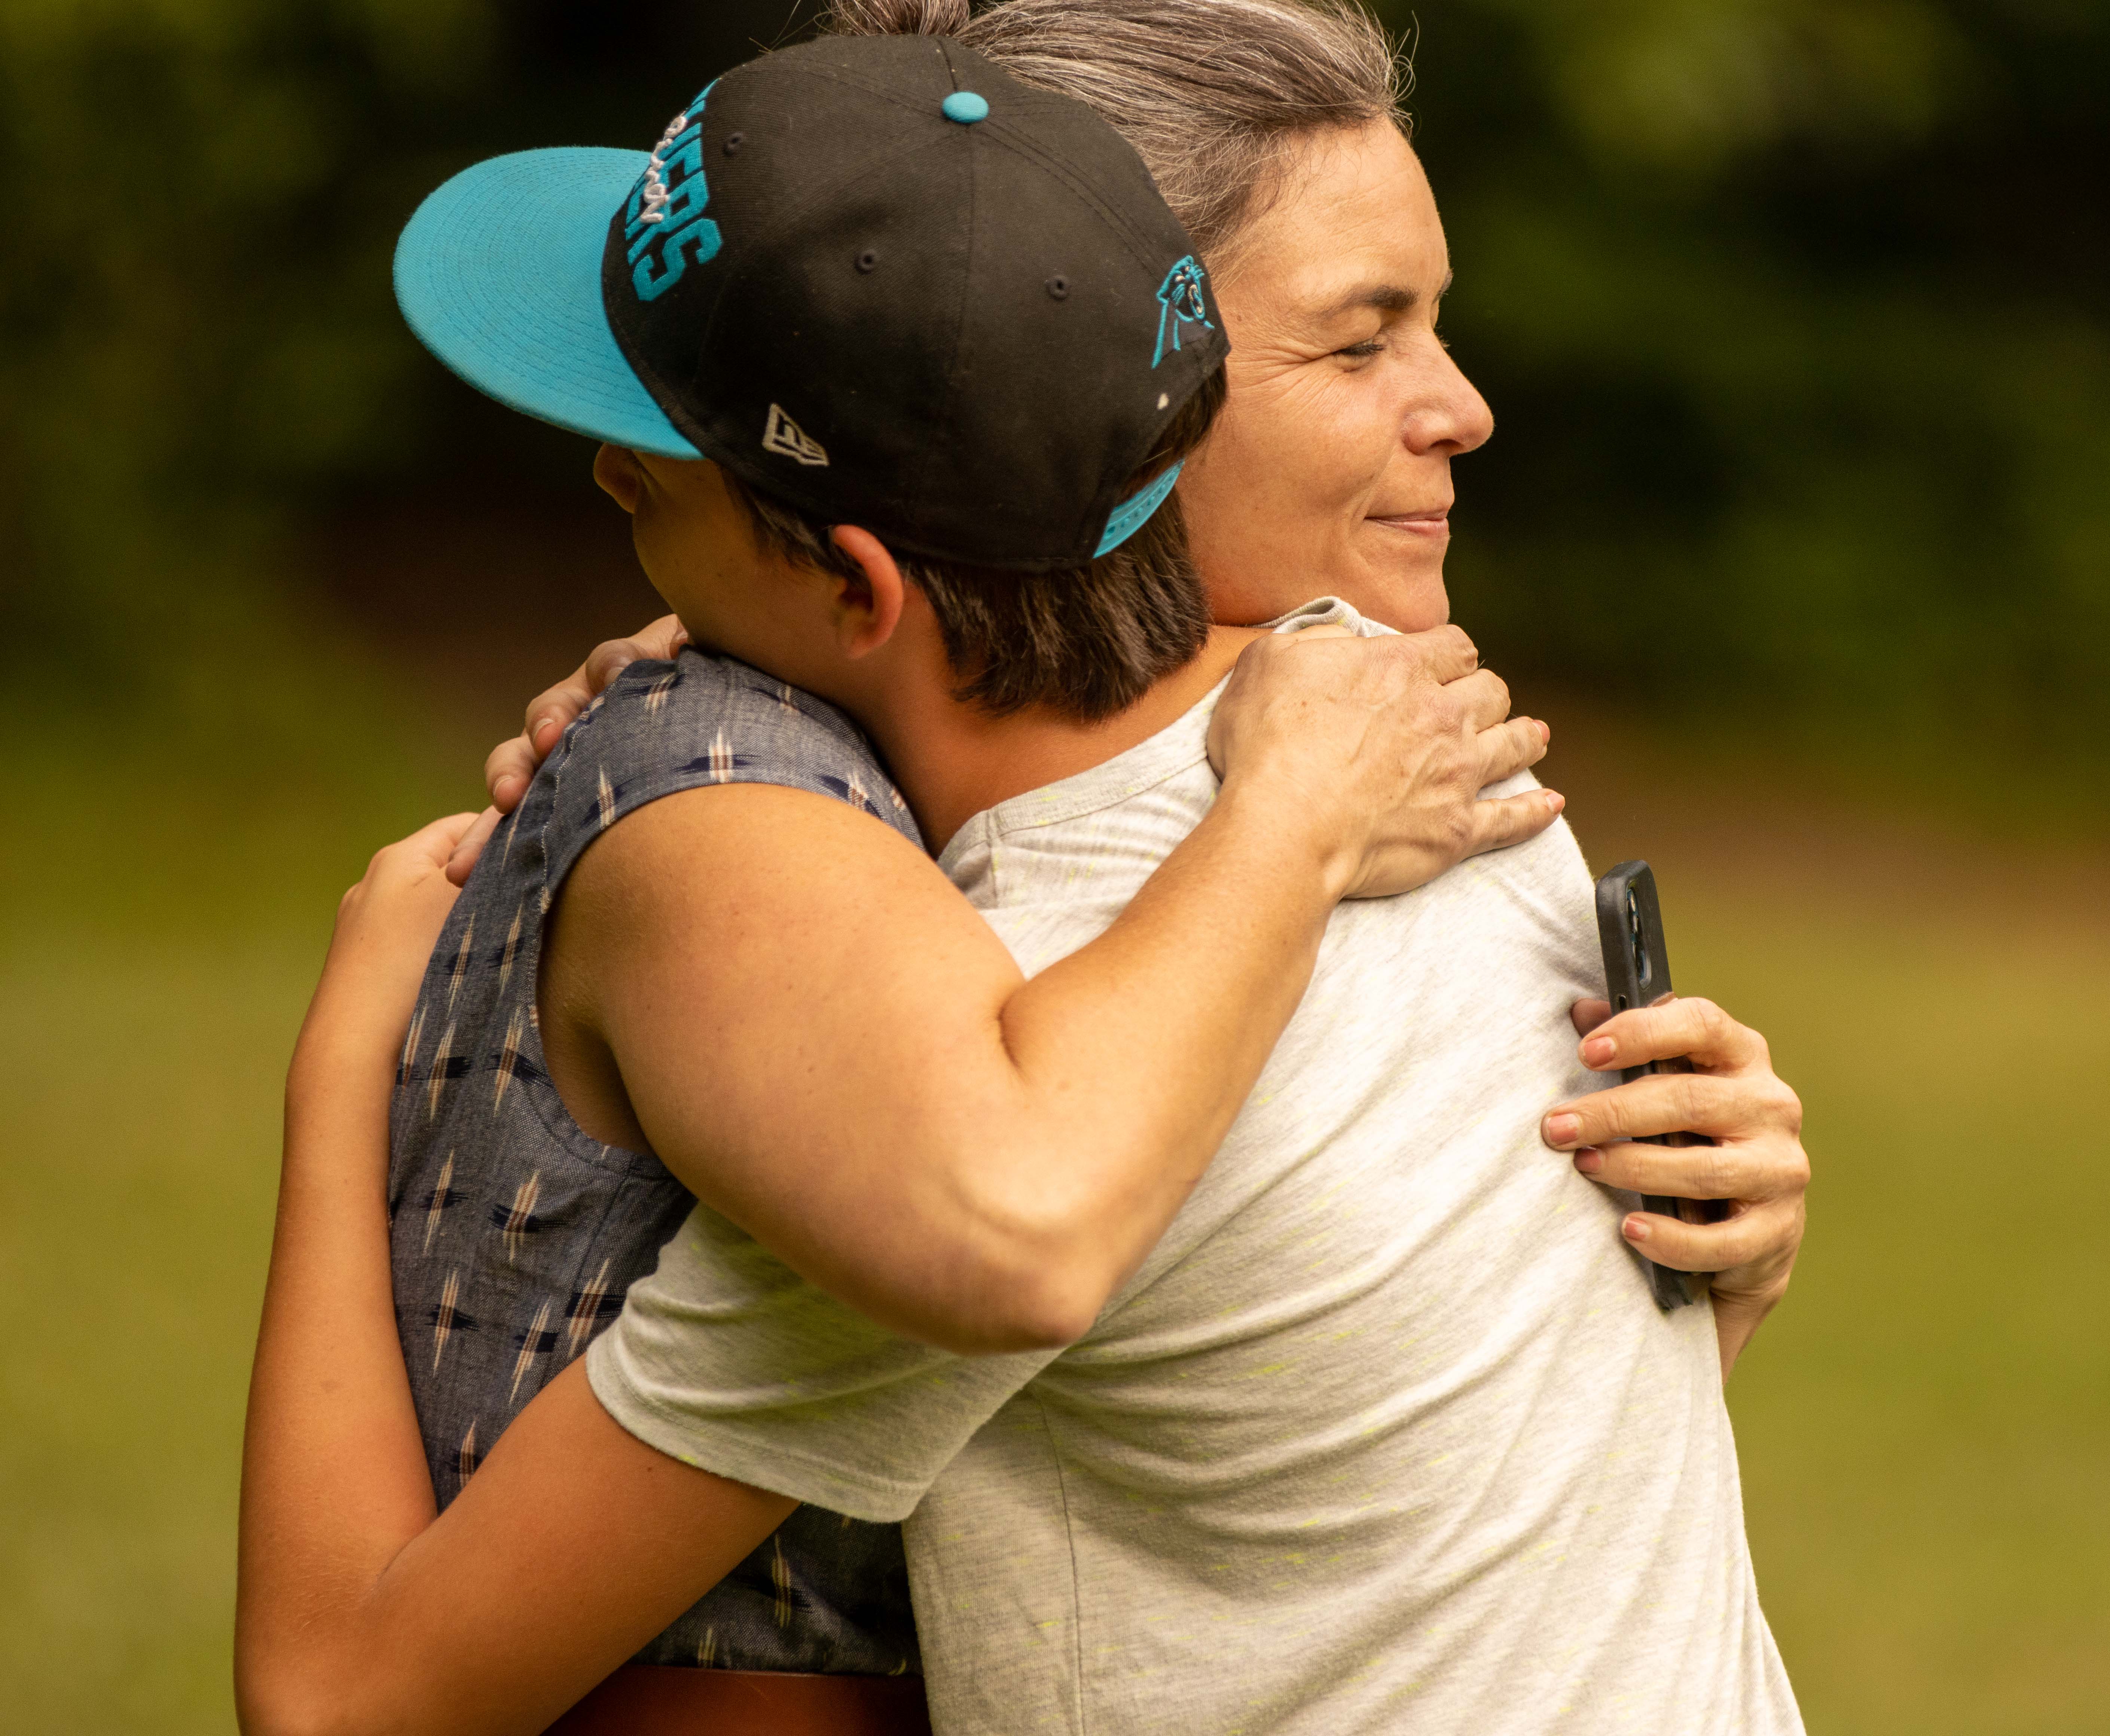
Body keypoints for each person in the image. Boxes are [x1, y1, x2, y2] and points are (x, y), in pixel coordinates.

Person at [239, 4, 1814, 1734]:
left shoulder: (994, 1103)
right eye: (1362, 340)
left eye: (645, 485)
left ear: (861, 583)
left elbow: (347, 1697)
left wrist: (356, 1054)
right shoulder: (1424, 733)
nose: (617, 472)